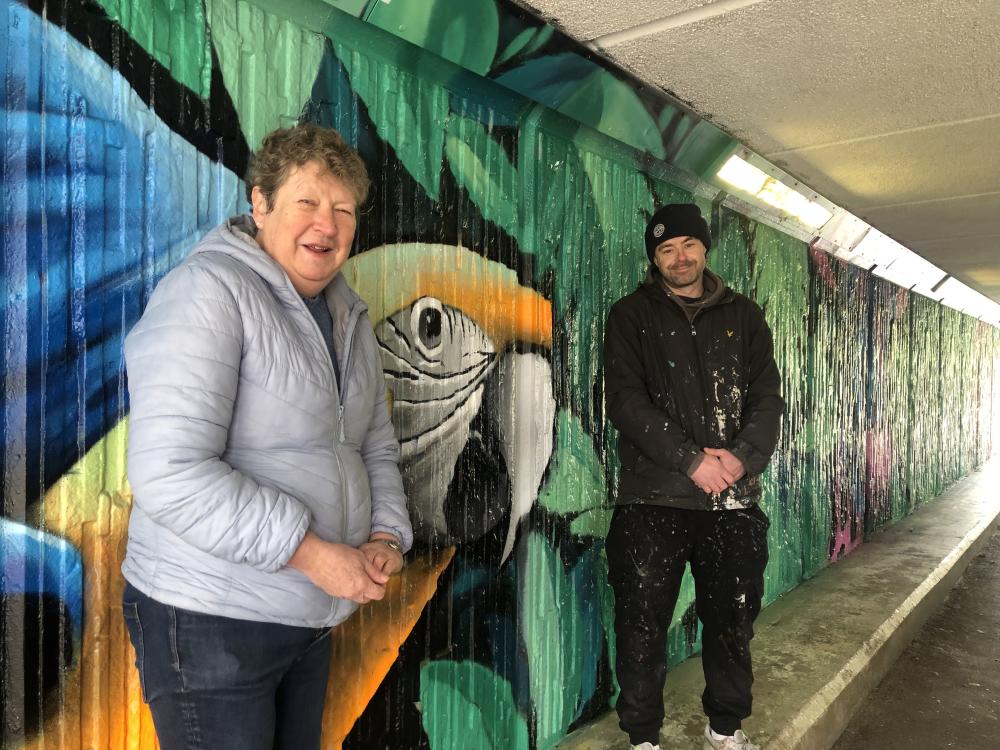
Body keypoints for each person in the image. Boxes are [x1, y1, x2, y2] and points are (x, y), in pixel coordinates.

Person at [120, 123, 413, 750]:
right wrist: (313, 554)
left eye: (342, 209)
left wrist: (386, 533)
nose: (326, 225)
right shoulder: (207, 293)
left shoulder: (346, 315)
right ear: (261, 204)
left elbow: (372, 445)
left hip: (305, 612)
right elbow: (170, 472)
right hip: (209, 620)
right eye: (307, 202)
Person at [603, 203, 783, 750]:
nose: (678, 258)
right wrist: (691, 460)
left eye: (687, 245)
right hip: (651, 500)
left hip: (733, 500)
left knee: (732, 620)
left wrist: (741, 458)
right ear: (654, 259)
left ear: (704, 248)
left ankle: (724, 730)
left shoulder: (745, 316)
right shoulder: (630, 316)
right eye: (665, 249)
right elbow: (626, 401)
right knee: (641, 624)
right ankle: (643, 738)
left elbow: (767, 398)